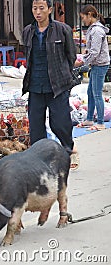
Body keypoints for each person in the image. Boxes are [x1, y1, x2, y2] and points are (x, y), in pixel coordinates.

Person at [22, 0, 79, 169]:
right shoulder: (28, 31)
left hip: (57, 86)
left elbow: (71, 56)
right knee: (35, 125)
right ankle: (40, 160)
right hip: (35, 85)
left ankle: (69, 150)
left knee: (60, 122)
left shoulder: (62, 30)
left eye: (41, 8)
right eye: (34, 8)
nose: (37, 12)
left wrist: (63, 74)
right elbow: (28, 56)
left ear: (50, 10)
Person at [75, 5, 110, 131]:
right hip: (96, 64)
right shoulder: (93, 29)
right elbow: (92, 49)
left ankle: (100, 123)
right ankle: (90, 119)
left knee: (97, 94)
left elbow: (95, 53)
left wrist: (81, 62)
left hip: (100, 65)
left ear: (90, 14)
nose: (83, 20)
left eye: (83, 17)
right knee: (90, 92)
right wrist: (85, 52)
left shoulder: (96, 30)